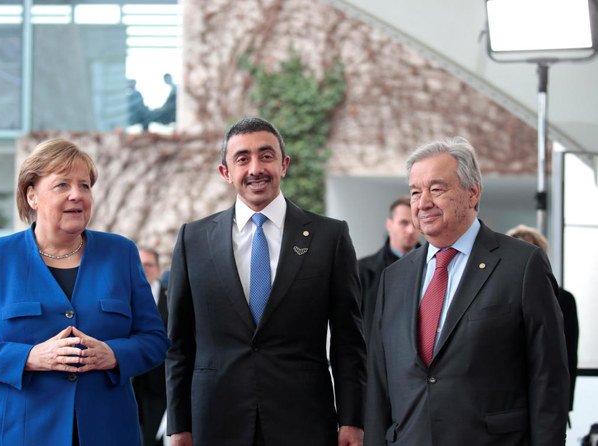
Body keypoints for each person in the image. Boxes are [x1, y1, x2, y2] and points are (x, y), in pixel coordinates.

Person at [0, 139, 170, 445]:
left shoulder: (121, 253)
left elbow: (155, 341)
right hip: (17, 433)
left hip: (108, 432)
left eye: (85, 185)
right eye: (62, 185)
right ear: (32, 195)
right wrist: (29, 357)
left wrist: (113, 354)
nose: (76, 194)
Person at [166, 117, 366, 446]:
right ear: (225, 173)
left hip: (304, 421)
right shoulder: (193, 239)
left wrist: (352, 419)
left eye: (267, 155)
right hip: (216, 422)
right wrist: (178, 425)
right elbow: (179, 344)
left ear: (284, 164)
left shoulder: (329, 237)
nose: (256, 168)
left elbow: (349, 340)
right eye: (242, 159)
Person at [364, 136, 569, 445]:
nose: (423, 203)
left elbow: (548, 377)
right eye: (415, 192)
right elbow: (379, 382)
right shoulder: (395, 277)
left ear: (472, 193)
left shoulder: (522, 265)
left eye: (436, 189)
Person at [506, 224, 579, 420]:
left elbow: (568, 356)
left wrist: (565, 407)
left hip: (544, 389)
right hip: (505, 398)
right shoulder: (495, 295)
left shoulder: (563, 298)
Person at [358, 196, 420, 339]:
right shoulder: (362, 270)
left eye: (415, 223)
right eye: (404, 223)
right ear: (389, 225)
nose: (410, 230)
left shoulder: (436, 268)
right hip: (374, 357)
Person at [134, 247, 169, 446]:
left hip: (160, 387)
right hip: (129, 384)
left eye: (148, 264)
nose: (144, 269)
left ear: (157, 269)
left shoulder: (171, 298)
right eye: (140, 264)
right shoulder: (121, 296)